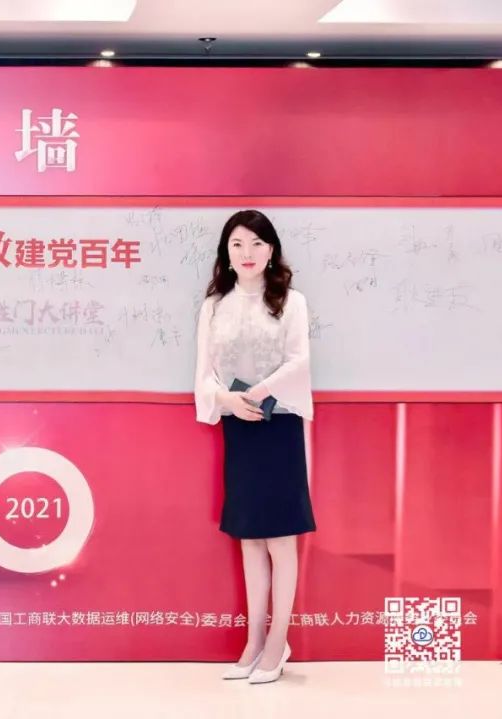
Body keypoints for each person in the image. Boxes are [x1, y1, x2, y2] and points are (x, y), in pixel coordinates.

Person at [194, 209, 316, 685]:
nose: (247, 253)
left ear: (271, 250)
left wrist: (259, 392)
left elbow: (299, 360)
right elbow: (204, 372)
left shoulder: (291, 301)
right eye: (238, 244)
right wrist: (226, 400)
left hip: (278, 423)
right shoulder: (214, 306)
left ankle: (277, 641)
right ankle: (254, 641)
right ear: (226, 252)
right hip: (239, 425)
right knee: (250, 538)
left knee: (280, 538)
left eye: (257, 244)